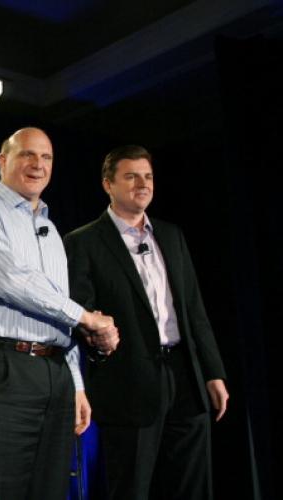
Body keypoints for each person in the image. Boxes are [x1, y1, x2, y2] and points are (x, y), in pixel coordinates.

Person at [0, 127, 117, 500]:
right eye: (27, 155)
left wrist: (77, 384)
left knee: (51, 489)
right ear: (3, 160)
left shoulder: (51, 231)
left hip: (52, 374)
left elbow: (57, 309)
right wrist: (87, 317)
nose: (38, 165)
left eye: (47, 157)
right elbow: (7, 279)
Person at [63, 145, 229, 500]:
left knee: (193, 487)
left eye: (148, 176)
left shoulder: (171, 235)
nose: (142, 184)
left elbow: (194, 309)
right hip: (128, 385)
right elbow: (81, 313)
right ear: (108, 184)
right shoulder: (84, 241)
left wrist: (213, 371)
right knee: (132, 489)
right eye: (131, 176)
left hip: (186, 377)